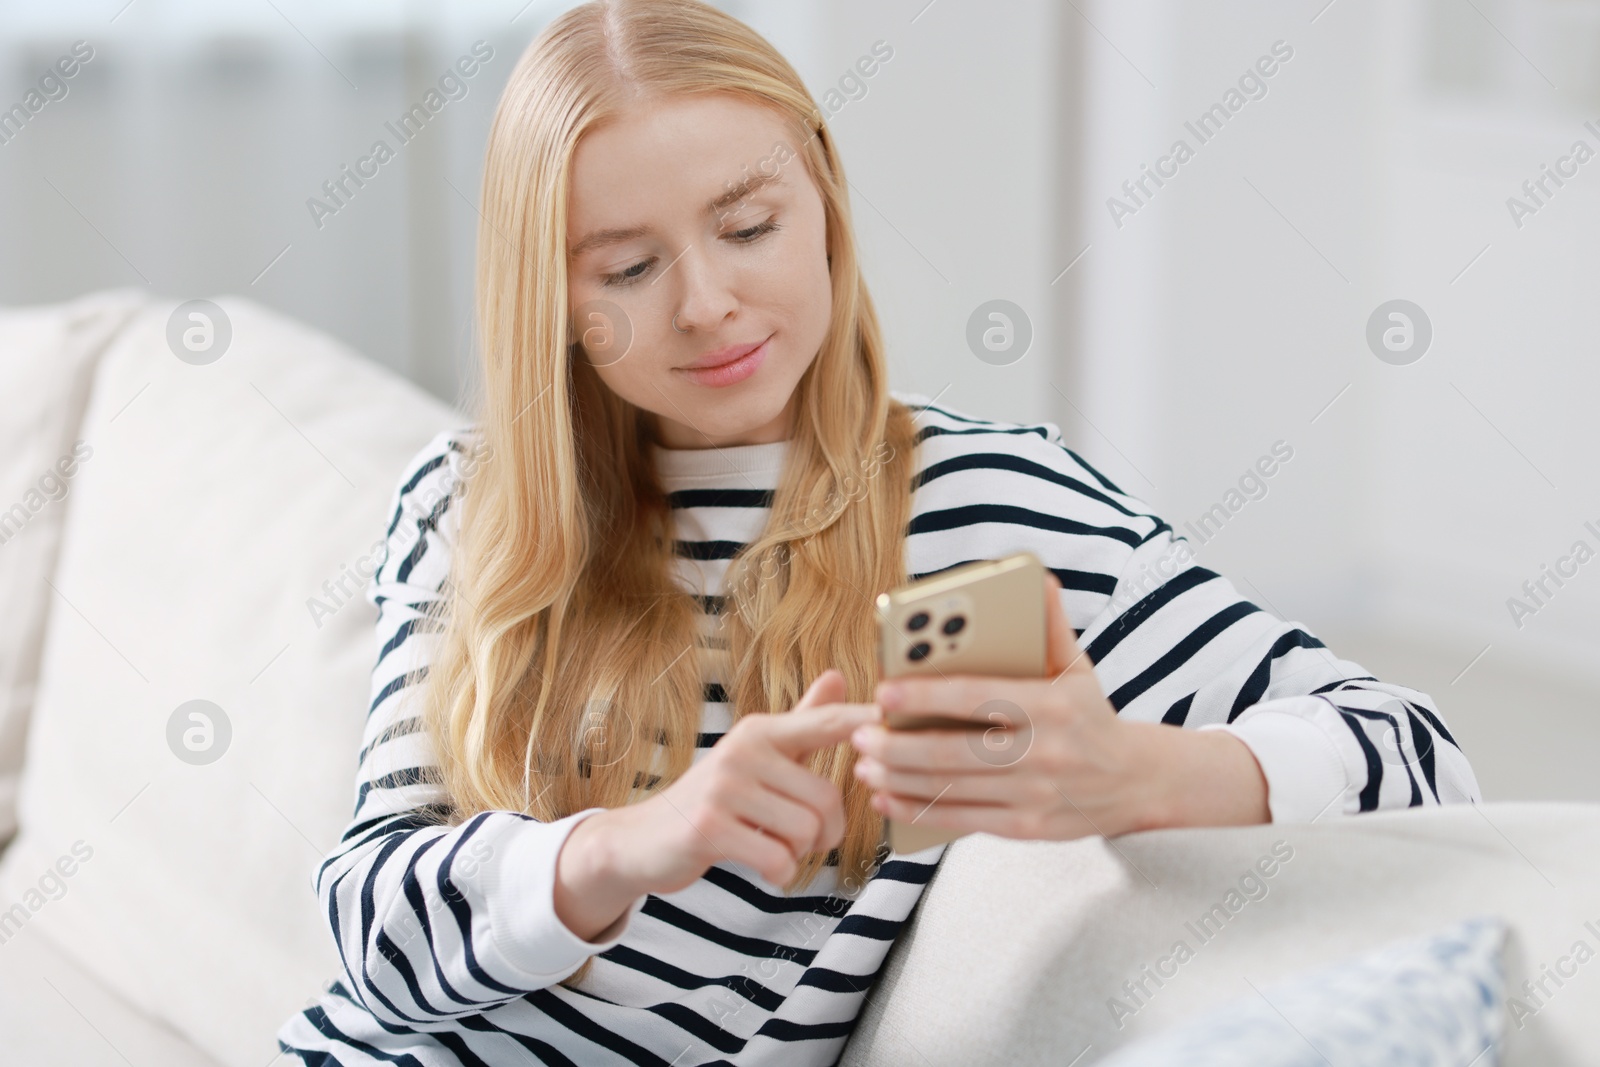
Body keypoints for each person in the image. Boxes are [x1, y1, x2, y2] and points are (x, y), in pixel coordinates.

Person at [277, 1, 1480, 1062]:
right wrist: (630, 845)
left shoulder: (990, 503)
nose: (706, 303)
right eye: (629, 266)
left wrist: (1131, 773)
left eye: (747, 227)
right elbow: (372, 926)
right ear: (551, 296)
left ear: (825, 207)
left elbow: (1417, 756)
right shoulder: (470, 506)